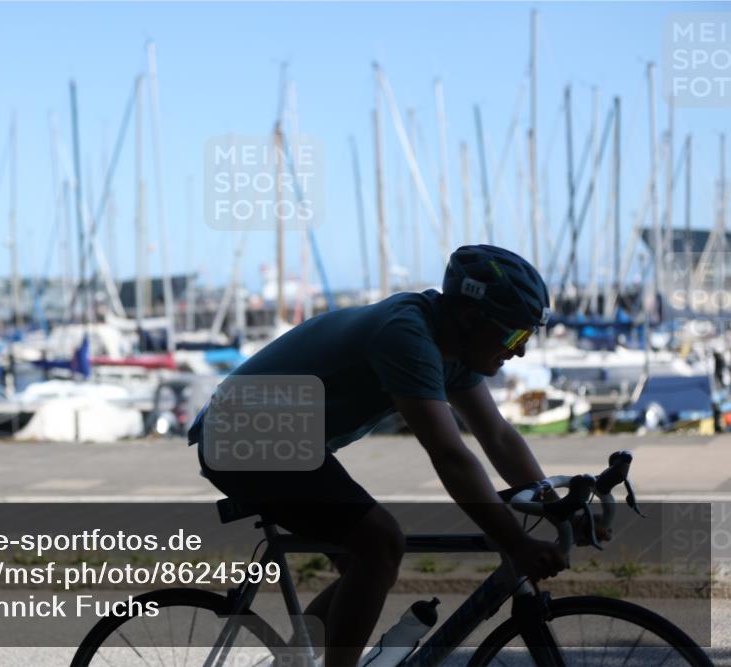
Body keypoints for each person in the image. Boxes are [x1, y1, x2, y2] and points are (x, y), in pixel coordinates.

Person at [188, 245, 597, 667]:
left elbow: (498, 436)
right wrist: (515, 541)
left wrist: (558, 507)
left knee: (365, 564)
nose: (521, 351)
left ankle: (291, 662)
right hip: (241, 435)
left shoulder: (453, 345)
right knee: (380, 543)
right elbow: (449, 454)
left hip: (286, 439)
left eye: (528, 336)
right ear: (473, 318)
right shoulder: (405, 337)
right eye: (516, 335)